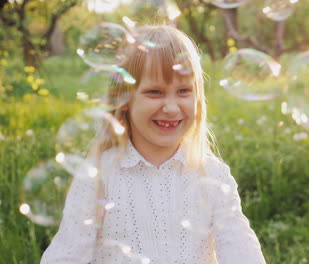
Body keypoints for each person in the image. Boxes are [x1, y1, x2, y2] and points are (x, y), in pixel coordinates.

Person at [41, 25, 267, 264]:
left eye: (183, 91)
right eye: (155, 92)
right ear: (124, 98)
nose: (171, 108)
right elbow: (66, 255)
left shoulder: (212, 174)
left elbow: (241, 249)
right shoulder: (98, 177)